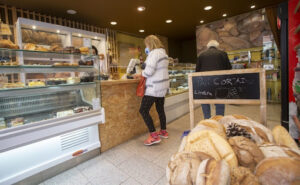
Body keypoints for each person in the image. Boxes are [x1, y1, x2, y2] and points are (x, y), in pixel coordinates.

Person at [134, 35, 169, 146]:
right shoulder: (164, 54)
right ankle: (163, 131)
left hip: (154, 87)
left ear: (150, 44)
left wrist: (140, 74)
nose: (146, 47)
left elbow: (149, 72)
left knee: (143, 110)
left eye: (146, 45)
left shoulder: (154, 54)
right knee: (160, 109)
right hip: (162, 86)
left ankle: (154, 136)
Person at [196, 40, 232, 119]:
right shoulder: (223, 54)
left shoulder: (201, 55)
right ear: (217, 47)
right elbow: (229, 69)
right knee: (219, 103)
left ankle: (207, 119)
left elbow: (197, 71)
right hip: (219, 83)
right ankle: (219, 121)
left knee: (205, 102)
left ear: (208, 47)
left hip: (204, 84)